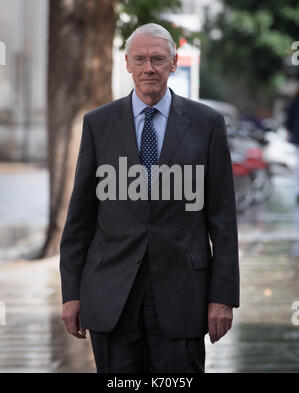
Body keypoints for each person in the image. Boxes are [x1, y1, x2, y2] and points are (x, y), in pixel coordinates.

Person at [59, 23, 240, 373]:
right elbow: (79, 218)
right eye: (140, 59)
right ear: (127, 63)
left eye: (158, 59)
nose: (149, 68)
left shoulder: (207, 124)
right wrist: (71, 293)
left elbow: (223, 220)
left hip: (182, 294)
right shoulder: (99, 123)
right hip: (111, 294)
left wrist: (223, 297)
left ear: (174, 63)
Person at [285, 85, 299, 204]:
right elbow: (289, 118)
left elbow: (289, 119)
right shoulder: (296, 101)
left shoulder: (295, 101)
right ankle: (298, 191)